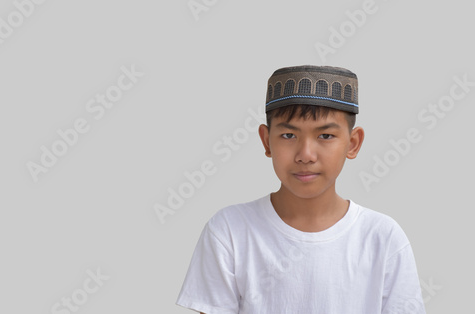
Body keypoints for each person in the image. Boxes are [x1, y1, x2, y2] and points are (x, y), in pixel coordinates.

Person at [176, 65, 426, 313]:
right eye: (288, 135)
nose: (306, 155)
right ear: (266, 141)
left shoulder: (382, 238)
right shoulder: (229, 231)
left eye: (325, 136)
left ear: (353, 143)